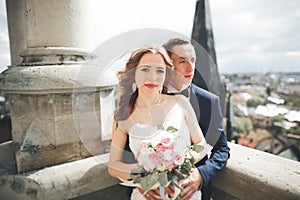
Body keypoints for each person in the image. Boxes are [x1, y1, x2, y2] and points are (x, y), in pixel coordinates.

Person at [108, 45, 210, 200]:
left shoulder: (180, 103)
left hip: (184, 192)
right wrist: (146, 176)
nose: (153, 77)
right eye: (145, 69)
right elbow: (113, 166)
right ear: (133, 72)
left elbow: (201, 144)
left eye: (159, 71)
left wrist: (177, 164)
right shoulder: (123, 115)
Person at [159, 38, 230, 200]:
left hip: (190, 192)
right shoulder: (147, 96)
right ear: (168, 65)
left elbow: (222, 149)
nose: (191, 67)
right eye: (182, 61)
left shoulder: (209, 101)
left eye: (193, 60)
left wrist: (201, 174)